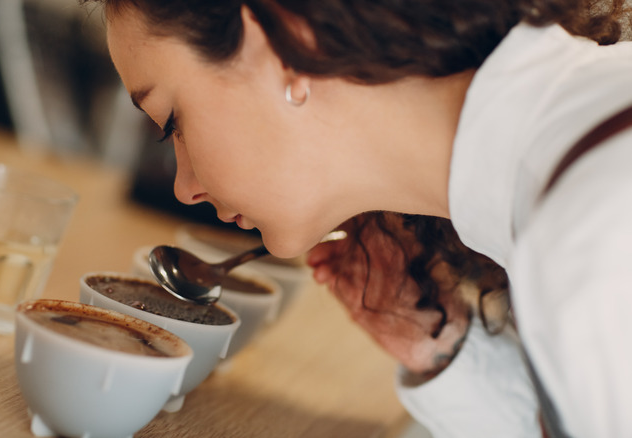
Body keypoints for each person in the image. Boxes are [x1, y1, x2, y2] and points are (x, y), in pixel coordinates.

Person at [81, 0, 632, 436]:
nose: (185, 186)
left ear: (281, 44)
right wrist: (434, 342)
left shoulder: (596, 237)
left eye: (171, 121)